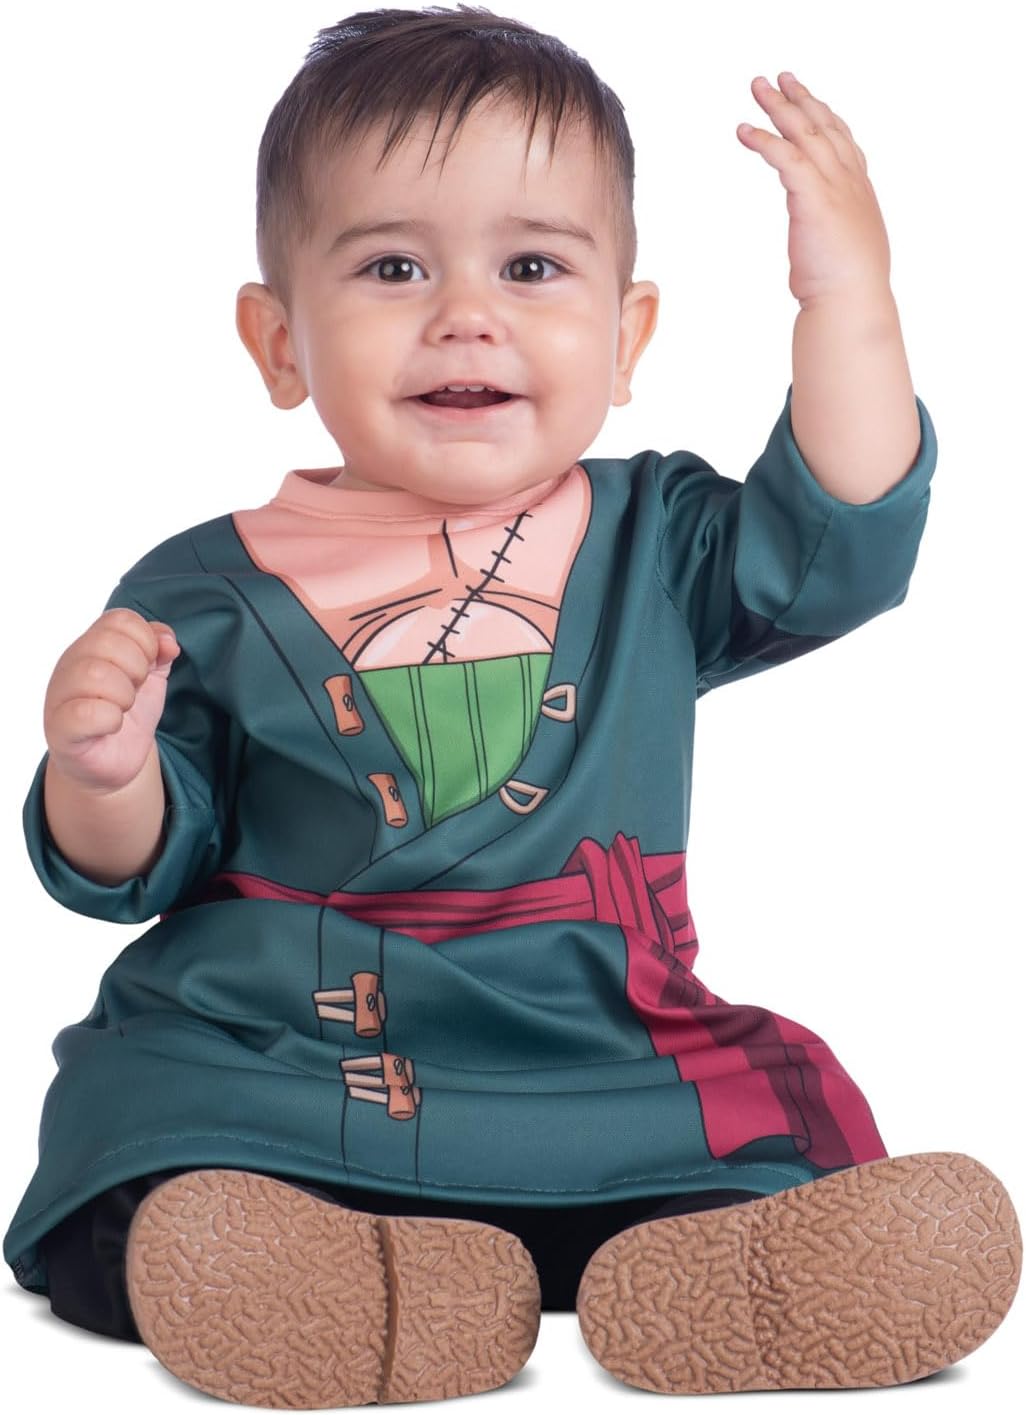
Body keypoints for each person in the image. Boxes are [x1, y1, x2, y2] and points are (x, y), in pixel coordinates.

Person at [5, 4, 1021, 1408]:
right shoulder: (199, 593)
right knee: (146, 1156)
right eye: (393, 266)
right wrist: (102, 772)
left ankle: (705, 1280)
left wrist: (845, 299)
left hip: (591, 1056)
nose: (464, 314)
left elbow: (843, 537)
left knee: (737, 1143)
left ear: (626, 336)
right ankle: (327, 1280)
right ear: (279, 341)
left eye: (532, 265)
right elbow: (133, 870)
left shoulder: (658, 542)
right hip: (280, 1066)